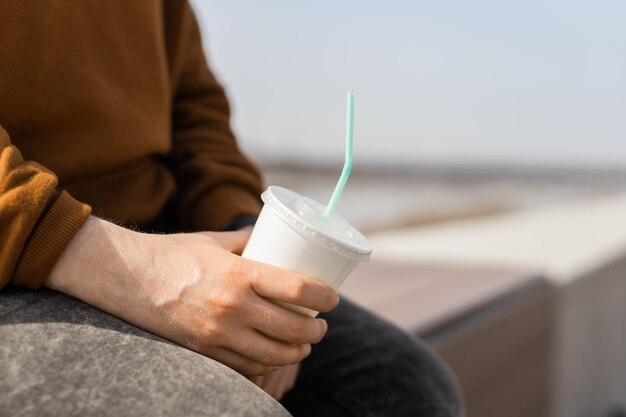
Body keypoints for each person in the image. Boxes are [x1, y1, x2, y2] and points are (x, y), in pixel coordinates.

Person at [0, 1, 462, 416]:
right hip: (18, 265)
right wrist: (122, 268)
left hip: (171, 228)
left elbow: (195, 109)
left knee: (412, 388)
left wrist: (250, 241)